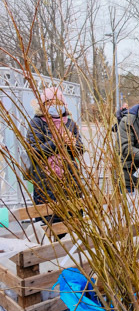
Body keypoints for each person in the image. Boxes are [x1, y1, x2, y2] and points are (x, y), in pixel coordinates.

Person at [26, 87, 84, 222]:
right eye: (50, 102)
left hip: (70, 180)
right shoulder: (37, 123)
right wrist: (57, 142)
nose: (55, 106)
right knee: (50, 222)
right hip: (46, 181)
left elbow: (80, 150)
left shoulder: (70, 123)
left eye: (58, 102)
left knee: (74, 220)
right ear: (43, 105)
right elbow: (35, 152)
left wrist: (72, 144)